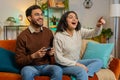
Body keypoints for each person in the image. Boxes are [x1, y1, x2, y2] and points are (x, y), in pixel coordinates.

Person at [53, 11, 105, 80]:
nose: (74, 19)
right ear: (64, 20)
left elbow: (93, 33)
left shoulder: (79, 31)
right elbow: (58, 58)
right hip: (63, 65)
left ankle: (85, 74)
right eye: (71, 17)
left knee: (99, 61)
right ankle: (82, 74)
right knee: (81, 71)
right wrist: (77, 65)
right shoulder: (58, 36)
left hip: (77, 61)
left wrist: (98, 26)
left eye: (76, 18)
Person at [15, 5, 62, 80]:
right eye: (37, 14)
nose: (41, 17)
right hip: (30, 67)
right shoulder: (22, 36)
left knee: (58, 70)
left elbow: (53, 50)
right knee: (26, 72)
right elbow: (19, 61)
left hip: (46, 66)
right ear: (29, 18)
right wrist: (33, 56)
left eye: (41, 14)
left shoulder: (48, 32)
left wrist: (51, 53)